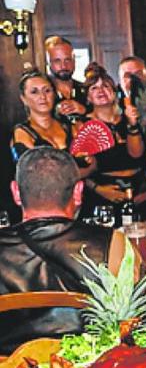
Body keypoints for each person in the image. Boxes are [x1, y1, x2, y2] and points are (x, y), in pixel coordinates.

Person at [0, 148, 128, 351]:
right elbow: (131, 322)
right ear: (78, 192)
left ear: (16, 192)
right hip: (87, 367)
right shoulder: (113, 243)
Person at [72, 72, 146, 223]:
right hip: (103, 194)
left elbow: (137, 154)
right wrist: (98, 189)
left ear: (114, 93)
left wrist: (132, 125)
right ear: (88, 97)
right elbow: (77, 169)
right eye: (94, 88)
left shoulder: (129, 118)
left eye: (106, 86)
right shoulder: (81, 125)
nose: (101, 90)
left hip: (137, 190)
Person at [44, 35, 88, 122]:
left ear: (74, 61)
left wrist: (84, 111)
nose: (63, 66)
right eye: (57, 61)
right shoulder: (42, 93)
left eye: (67, 60)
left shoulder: (86, 90)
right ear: (48, 63)